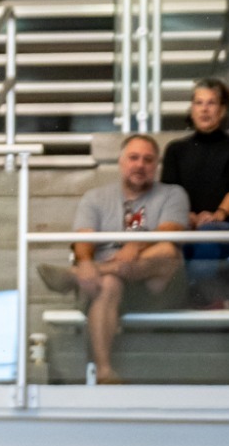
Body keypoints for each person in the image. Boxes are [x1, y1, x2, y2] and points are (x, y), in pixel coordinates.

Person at [37, 133, 189, 385]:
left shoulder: (173, 194)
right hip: (107, 287)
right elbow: (83, 240)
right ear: (121, 162)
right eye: (134, 158)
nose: (140, 164)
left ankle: (78, 275)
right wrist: (85, 263)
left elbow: (171, 230)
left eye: (148, 160)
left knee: (166, 251)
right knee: (108, 283)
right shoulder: (95, 198)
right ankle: (105, 372)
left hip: (156, 286)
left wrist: (137, 245)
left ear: (156, 165)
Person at [160, 77, 229, 297]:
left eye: (211, 103)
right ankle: (207, 297)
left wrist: (217, 215)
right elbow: (169, 193)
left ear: (222, 110)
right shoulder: (176, 150)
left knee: (207, 234)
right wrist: (189, 217)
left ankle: (195, 297)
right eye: (199, 103)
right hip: (186, 225)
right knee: (180, 239)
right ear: (192, 109)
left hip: (228, 227)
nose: (204, 109)